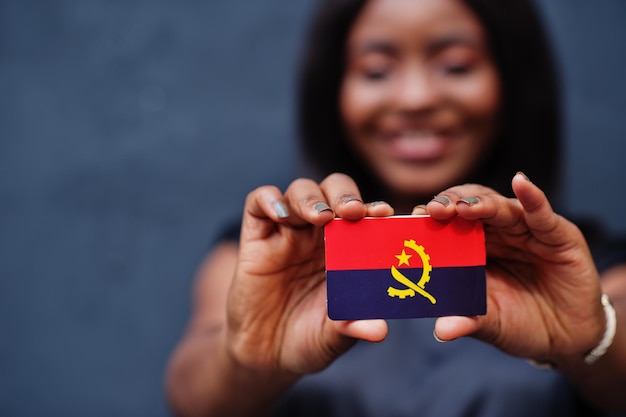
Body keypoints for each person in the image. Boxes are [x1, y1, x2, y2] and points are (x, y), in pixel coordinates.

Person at [165, 0, 626, 416]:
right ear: (335, 92)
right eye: (377, 71)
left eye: (456, 66)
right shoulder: (267, 257)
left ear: (509, 80)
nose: (415, 99)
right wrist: (246, 360)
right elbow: (190, 399)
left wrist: (593, 338)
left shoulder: (586, 266)